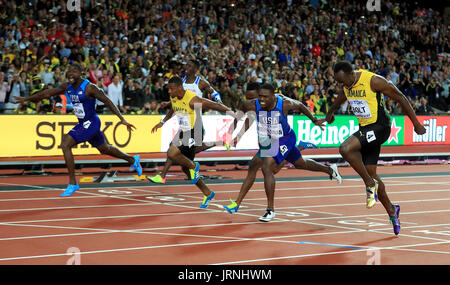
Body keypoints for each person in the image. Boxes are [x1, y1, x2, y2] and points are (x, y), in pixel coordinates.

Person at [324, 61, 426, 235]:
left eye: (343, 81)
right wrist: (330, 111)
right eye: (339, 82)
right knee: (371, 171)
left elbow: (400, 96)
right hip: (366, 129)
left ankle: (369, 184)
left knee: (345, 149)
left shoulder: (372, 80)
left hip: (381, 127)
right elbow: (343, 95)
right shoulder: (347, 85)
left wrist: (416, 122)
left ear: (351, 74)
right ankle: (392, 211)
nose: (342, 85)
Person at [14, 63, 142, 197]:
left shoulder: (90, 88)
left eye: (74, 71)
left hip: (91, 122)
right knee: (104, 149)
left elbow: (108, 101)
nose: (70, 73)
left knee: (66, 143)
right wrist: (27, 99)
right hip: (83, 122)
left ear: (82, 73)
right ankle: (133, 160)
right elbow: (47, 93)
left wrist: (122, 119)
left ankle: (73, 183)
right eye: (69, 70)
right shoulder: (67, 86)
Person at [224, 83, 342, 222]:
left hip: (285, 138)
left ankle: (270, 210)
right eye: (259, 96)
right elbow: (239, 118)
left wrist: (314, 120)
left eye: (265, 97)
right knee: (295, 163)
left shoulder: (284, 103)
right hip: (268, 141)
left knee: (268, 167)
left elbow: (300, 106)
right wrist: (233, 135)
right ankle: (330, 169)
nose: (261, 100)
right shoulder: (251, 105)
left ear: (273, 97)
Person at [151, 76, 234, 208]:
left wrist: (232, 113)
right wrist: (162, 122)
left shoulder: (192, 99)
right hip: (184, 131)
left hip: (195, 131)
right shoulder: (174, 97)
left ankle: (190, 167)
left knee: (172, 153)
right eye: (168, 89)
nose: (169, 92)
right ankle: (207, 192)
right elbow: (173, 108)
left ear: (179, 88)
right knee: (186, 169)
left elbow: (213, 104)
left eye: (171, 89)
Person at [147, 59, 226, 184]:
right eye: (186, 65)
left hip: (196, 122)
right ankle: (218, 143)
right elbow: (178, 99)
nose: (186, 67)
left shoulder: (201, 82)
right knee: (185, 152)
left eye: (189, 66)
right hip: (184, 123)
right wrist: (167, 105)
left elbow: (214, 93)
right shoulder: (181, 82)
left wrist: (219, 103)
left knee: (178, 150)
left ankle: (163, 175)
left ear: (196, 69)